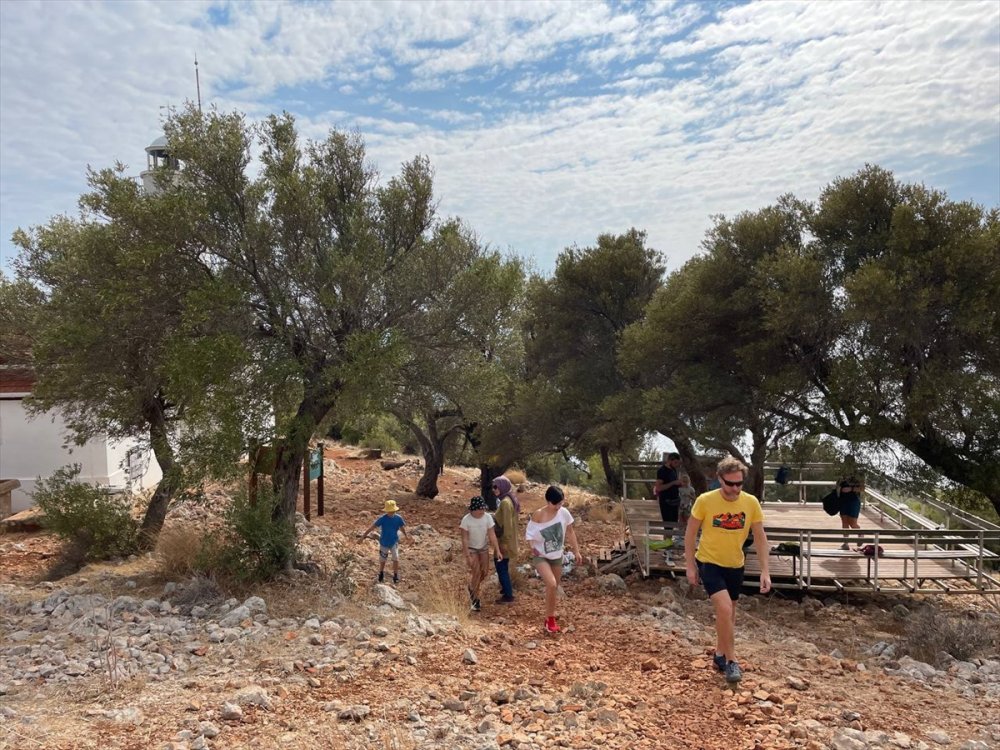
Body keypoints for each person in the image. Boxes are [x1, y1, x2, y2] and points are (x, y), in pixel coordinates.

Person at [684, 457, 771, 684]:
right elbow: (690, 533)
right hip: (709, 562)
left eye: (739, 484)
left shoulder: (751, 503)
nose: (734, 489)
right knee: (723, 608)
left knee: (729, 613)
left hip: (735, 564)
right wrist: (690, 565)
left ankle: (720, 653)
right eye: (730, 483)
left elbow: (760, 537)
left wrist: (765, 570)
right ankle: (732, 661)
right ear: (719, 479)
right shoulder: (705, 501)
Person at [526, 485, 584, 634]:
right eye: (556, 504)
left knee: (554, 587)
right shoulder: (538, 515)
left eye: (561, 503)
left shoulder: (564, 513)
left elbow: (570, 532)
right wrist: (532, 547)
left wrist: (577, 551)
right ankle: (551, 620)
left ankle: (548, 618)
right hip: (541, 556)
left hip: (557, 556)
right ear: (548, 501)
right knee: (551, 584)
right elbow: (530, 535)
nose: (559, 507)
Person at [460, 496, 502, 612]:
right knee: (477, 573)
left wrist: (497, 550)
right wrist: (467, 555)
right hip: (472, 549)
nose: (482, 511)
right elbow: (464, 539)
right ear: (473, 509)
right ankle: (475, 598)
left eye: (483, 509)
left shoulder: (488, 518)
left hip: (483, 548)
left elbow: (491, 534)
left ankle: (472, 587)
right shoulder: (466, 520)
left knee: (484, 572)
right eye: (480, 509)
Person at [360, 499, 407, 584]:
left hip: (394, 541)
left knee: (395, 558)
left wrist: (406, 535)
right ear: (386, 511)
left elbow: (402, 527)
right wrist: (363, 536)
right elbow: (372, 527)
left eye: (393, 511)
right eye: (390, 511)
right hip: (384, 542)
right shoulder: (382, 519)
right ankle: (381, 573)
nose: (392, 513)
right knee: (383, 560)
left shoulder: (398, 518)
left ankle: (395, 575)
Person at [491, 476, 520, 604]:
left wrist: (504, 543)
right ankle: (505, 588)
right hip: (508, 539)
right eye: (493, 487)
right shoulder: (508, 499)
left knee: (500, 566)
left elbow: (507, 524)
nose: (494, 489)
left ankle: (508, 595)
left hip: (505, 540)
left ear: (502, 486)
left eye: (496, 486)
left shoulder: (505, 502)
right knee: (503, 566)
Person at [653, 452, 683, 560]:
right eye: (675, 462)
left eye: (677, 463)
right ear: (669, 460)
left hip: (675, 500)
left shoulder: (673, 470)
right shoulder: (662, 471)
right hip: (666, 501)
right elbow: (659, 488)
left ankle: (668, 547)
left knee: (672, 525)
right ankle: (667, 549)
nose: (676, 465)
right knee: (668, 525)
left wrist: (678, 484)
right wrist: (673, 483)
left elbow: (674, 483)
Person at [838, 475, 865, 549]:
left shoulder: (858, 475)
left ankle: (860, 534)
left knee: (852, 522)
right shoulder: (841, 474)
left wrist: (851, 489)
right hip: (843, 500)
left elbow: (862, 488)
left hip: (854, 501)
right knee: (844, 522)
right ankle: (845, 543)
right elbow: (838, 486)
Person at [676, 474, 697, 548]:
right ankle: (679, 536)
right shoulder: (679, 489)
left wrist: (689, 496)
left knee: (687, 520)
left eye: (686, 482)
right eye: (683, 482)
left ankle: (686, 535)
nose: (685, 483)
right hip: (681, 506)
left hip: (687, 506)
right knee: (680, 520)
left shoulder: (691, 489)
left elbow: (694, 498)